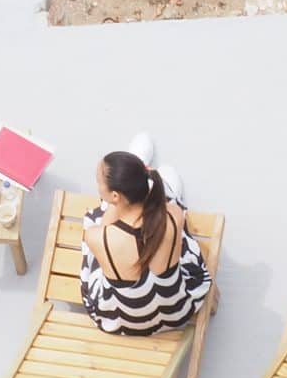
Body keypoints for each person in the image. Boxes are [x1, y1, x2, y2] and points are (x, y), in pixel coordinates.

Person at [80, 133, 208, 335]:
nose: (98, 185)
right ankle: (166, 188)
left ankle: (130, 181)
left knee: (94, 224)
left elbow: (105, 225)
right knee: (177, 233)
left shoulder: (97, 237)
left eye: (99, 182)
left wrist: (112, 204)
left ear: (115, 195)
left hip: (123, 322)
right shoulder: (173, 215)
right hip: (176, 313)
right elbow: (160, 208)